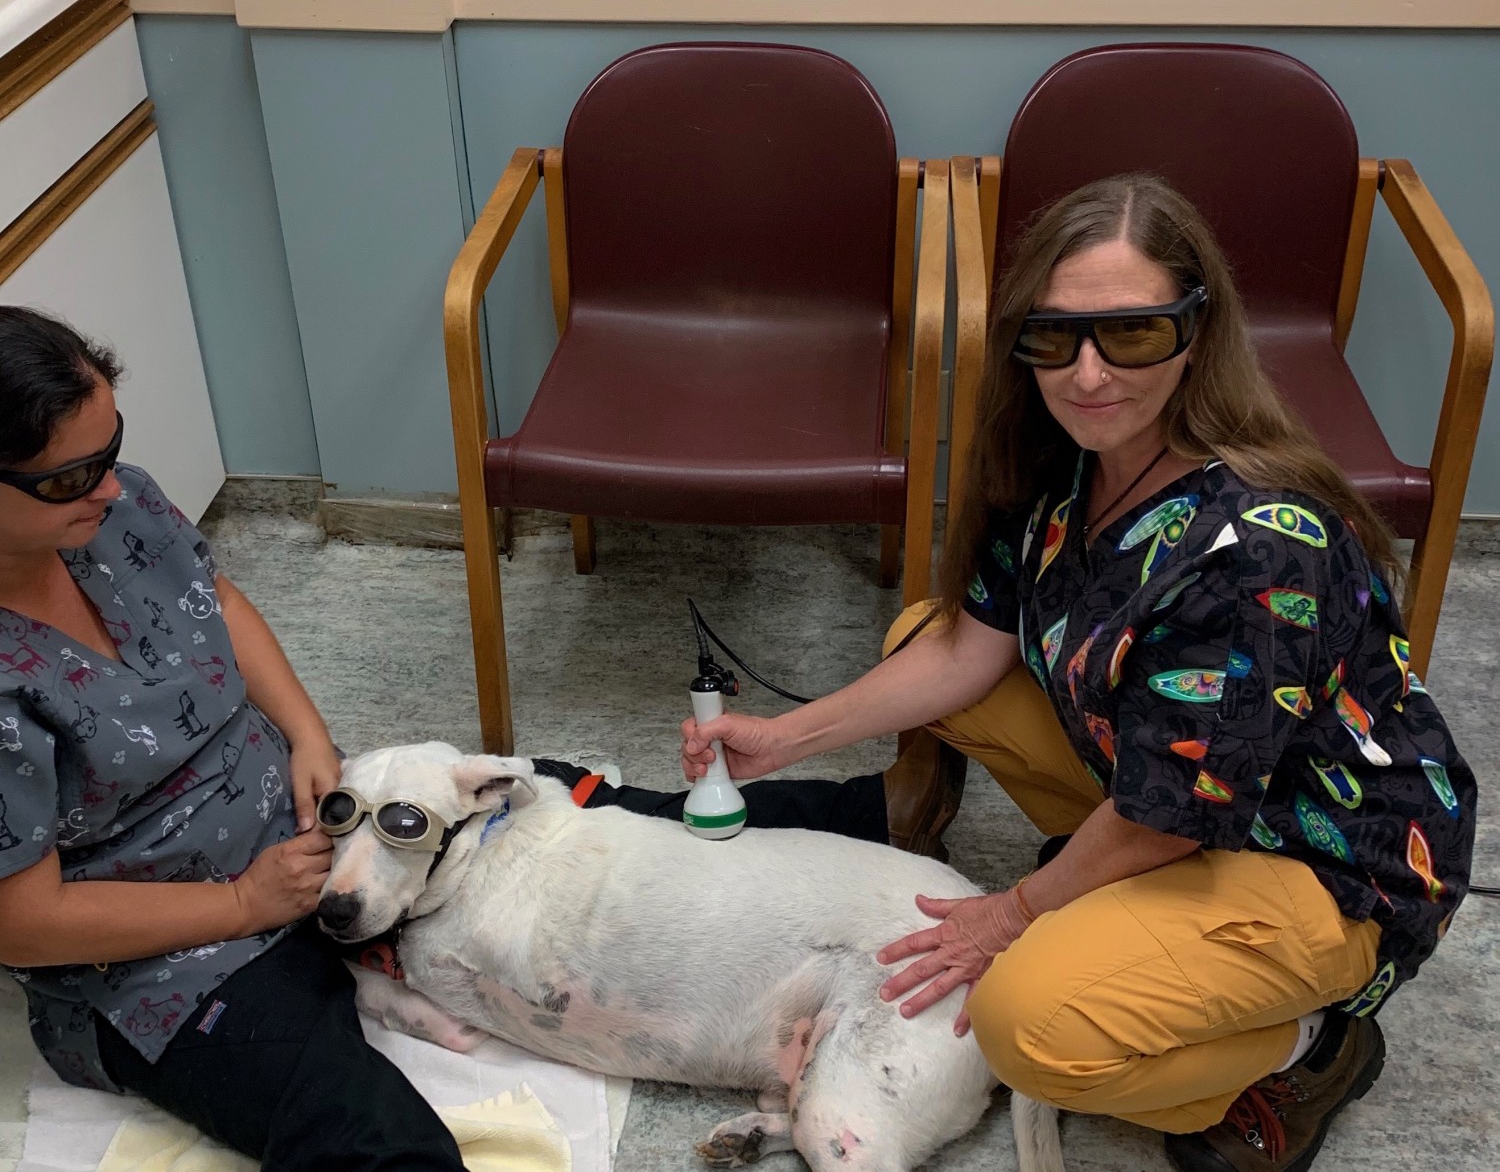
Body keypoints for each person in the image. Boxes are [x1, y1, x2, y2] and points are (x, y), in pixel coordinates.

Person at [676, 175, 1476, 1171]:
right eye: (1056, 337)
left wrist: (1012, 914)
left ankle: (1312, 1045)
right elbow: (971, 647)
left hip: (1325, 857)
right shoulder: (1066, 466)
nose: (1088, 373)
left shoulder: (1256, 551)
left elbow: (1168, 812)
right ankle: (1127, 909)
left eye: (1132, 334)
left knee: (1027, 1026)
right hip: (1189, 788)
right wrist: (780, 741)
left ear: (1197, 331)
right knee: (917, 635)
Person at [0, 304, 901, 1169]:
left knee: (578, 803)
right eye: (73, 477)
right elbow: (24, 923)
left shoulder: (118, 511)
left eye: (112, 450)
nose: (113, 487)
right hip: (176, 955)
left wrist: (309, 737)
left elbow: (217, 601)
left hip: (317, 821)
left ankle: (879, 816)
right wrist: (242, 906)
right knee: (375, 1139)